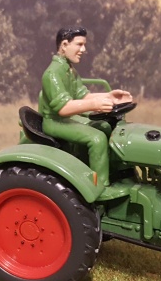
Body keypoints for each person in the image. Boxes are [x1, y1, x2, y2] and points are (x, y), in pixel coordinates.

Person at [38, 27, 132, 188]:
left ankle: (111, 171)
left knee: (104, 126)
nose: (83, 49)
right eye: (79, 44)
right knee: (97, 139)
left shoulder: (69, 71)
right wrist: (94, 105)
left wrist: (108, 97)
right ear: (64, 45)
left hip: (65, 119)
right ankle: (99, 186)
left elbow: (83, 96)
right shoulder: (52, 74)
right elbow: (63, 108)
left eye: (84, 45)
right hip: (54, 122)